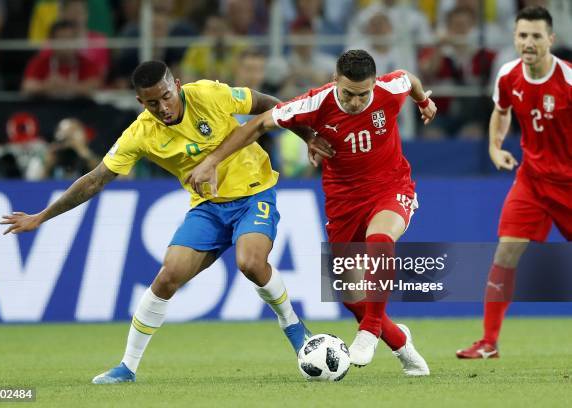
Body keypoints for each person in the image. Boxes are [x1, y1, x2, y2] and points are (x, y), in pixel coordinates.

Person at [0, 60, 314, 383]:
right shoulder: (141, 134)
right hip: (207, 207)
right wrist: (42, 216)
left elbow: (267, 104)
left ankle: (293, 327)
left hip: (254, 194)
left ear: (176, 85)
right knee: (168, 276)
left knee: (249, 261)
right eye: (152, 103)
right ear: (140, 102)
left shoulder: (208, 94)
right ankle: (127, 367)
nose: (163, 107)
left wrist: (306, 136)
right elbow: (95, 180)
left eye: (166, 96)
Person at [186, 49, 437, 376]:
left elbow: (410, 78)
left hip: (391, 187)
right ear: (335, 81)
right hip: (344, 201)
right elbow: (260, 124)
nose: (356, 102)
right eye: (348, 93)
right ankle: (401, 342)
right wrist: (212, 161)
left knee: (380, 237)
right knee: (350, 296)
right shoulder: (314, 103)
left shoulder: (391, 89)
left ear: (375, 84)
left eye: (364, 95)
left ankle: (371, 329)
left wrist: (422, 102)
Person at [456, 6, 571, 359]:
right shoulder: (508, 75)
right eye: (523, 35)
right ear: (515, 38)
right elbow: (501, 111)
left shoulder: (567, 81)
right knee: (505, 251)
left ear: (550, 40)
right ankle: (489, 342)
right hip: (533, 181)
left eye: (536, 36)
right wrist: (494, 147)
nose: (529, 42)